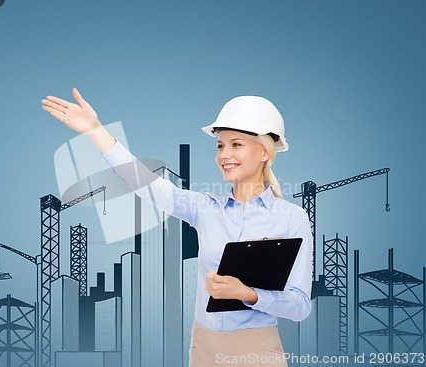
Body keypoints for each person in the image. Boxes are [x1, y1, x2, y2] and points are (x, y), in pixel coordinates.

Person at [42, 89, 313, 367]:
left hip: (259, 348)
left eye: (236, 144)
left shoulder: (291, 218)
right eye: (220, 146)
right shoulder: (205, 208)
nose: (224, 155)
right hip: (204, 345)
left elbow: (301, 305)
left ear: (264, 152)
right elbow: (148, 185)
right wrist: (96, 132)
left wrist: (248, 294)